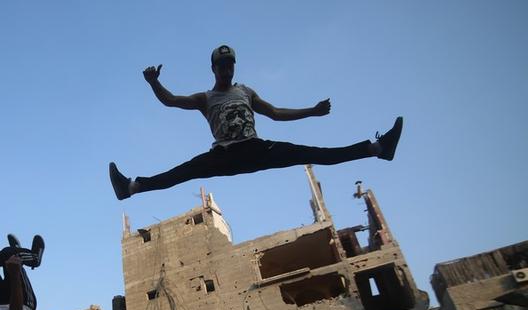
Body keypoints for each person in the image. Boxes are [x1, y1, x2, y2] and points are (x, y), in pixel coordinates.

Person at [109, 45, 403, 200]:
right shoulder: (205, 98)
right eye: (221, 65)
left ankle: (377, 148)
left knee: (315, 153)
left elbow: (275, 112)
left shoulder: (246, 92)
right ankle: (130, 188)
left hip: (256, 150)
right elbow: (171, 100)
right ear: (213, 69)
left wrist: (312, 111)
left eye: (230, 64)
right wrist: (154, 83)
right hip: (224, 155)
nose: (226, 69)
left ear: (234, 67)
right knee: (181, 172)